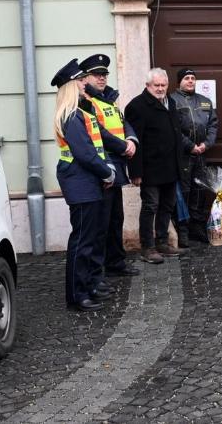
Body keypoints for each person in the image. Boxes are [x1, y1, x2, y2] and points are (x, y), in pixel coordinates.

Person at [51, 59, 118, 312]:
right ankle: (77, 295)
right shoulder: (70, 116)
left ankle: (87, 286)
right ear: (70, 86)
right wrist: (107, 173)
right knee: (81, 242)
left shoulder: (79, 112)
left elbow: (93, 148)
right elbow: (84, 153)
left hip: (86, 181)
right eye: (79, 81)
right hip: (80, 182)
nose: (84, 84)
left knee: (88, 239)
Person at [79, 54, 140, 278]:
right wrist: (123, 146)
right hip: (102, 168)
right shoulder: (85, 100)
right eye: (97, 75)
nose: (102, 78)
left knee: (116, 219)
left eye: (104, 74)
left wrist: (132, 140)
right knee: (101, 224)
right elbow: (98, 133)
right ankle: (98, 271)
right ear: (85, 78)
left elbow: (124, 123)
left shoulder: (108, 99)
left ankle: (116, 263)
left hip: (116, 166)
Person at [126, 68, 185, 263]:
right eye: (156, 85)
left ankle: (162, 242)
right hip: (150, 169)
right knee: (151, 206)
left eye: (163, 85)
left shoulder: (171, 102)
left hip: (170, 167)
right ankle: (147, 247)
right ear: (147, 86)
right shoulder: (137, 106)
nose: (160, 89)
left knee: (167, 206)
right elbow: (134, 140)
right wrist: (135, 171)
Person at [171, 67, 218, 247]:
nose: (190, 81)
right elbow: (173, 129)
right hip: (182, 154)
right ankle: (182, 229)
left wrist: (206, 144)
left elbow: (213, 125)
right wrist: (190, 146)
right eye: (186, 78)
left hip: (201, 154)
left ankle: (197, 226)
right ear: (179, 82)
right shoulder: (172, 101)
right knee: (183, 191)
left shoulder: (205, 101)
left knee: (199, 190)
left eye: (192, 78)